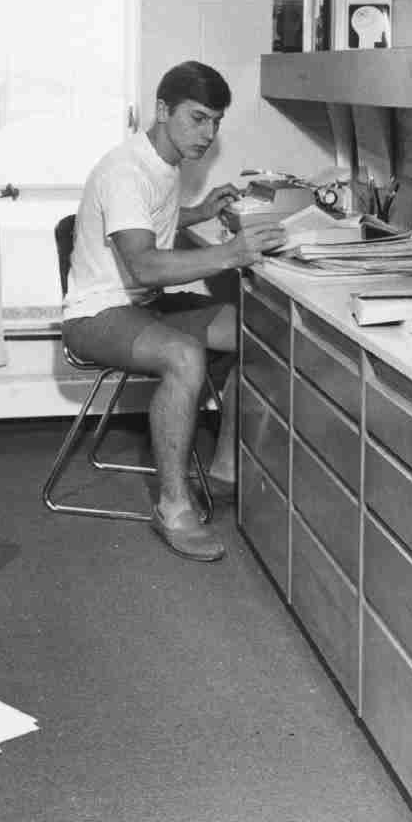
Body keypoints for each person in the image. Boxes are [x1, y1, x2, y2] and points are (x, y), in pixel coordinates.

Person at [60, 61, 285, 563]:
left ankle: (224, 471)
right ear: (163, 110)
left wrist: (200, 212)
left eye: (216, 122)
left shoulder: (164, 161)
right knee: (185, 357)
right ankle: (174, 507)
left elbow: (147, 220)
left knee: (255, 332)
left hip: (142, 307)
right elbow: (142, 266)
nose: (208, 134)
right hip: (98, 314)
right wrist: (231, 253)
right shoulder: (125, 170)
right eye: (197, 118)